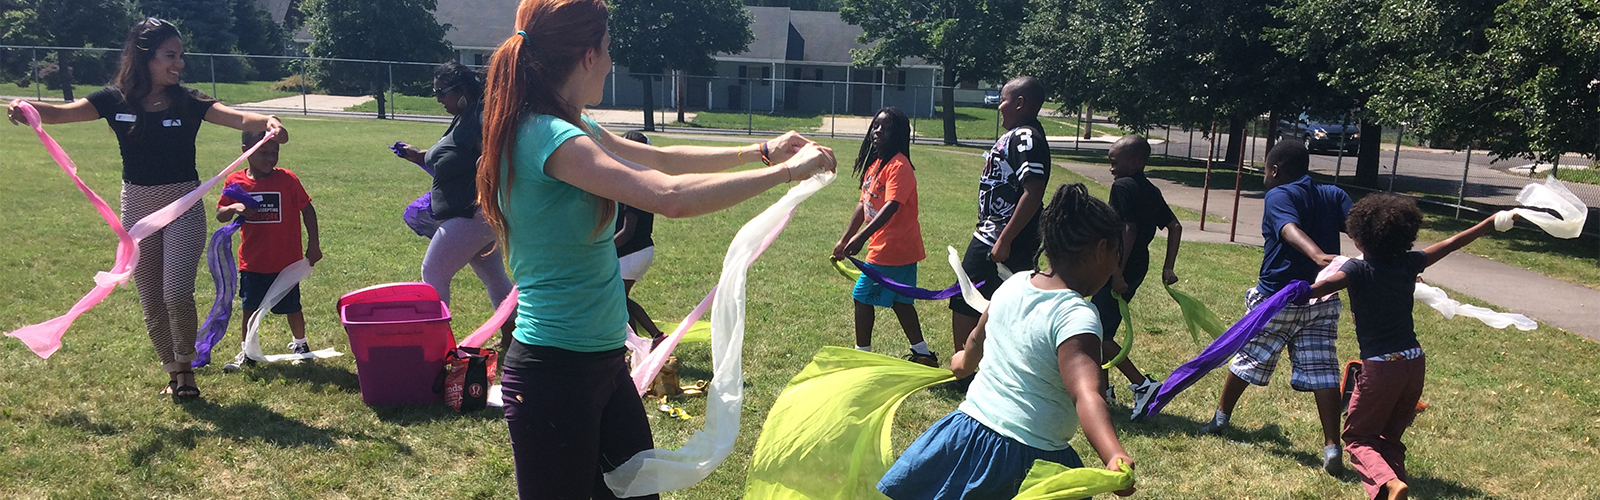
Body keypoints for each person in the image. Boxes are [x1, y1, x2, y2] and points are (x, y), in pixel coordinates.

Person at [475, 0, 836, 496]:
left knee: (638, 493)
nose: (611, 61)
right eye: (608, 49)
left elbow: (662, 160)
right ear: (587, 55)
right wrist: (789, 173)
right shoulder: (551, 136)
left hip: (602, 364)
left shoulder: (570, 124)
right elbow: (668, 198)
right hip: (555, 376)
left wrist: (760, 151)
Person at [6, 18, 287, 401]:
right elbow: (60, 112)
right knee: (151, 297)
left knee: (175, 291)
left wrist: (268, 122)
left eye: (181, 56)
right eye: (170, 55)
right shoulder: (113, 98)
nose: (180, 64)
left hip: (183, 203)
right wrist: (25, 107)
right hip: (137, 208)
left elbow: (237, 117)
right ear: (145, 56)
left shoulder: (188, 100)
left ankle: (187, 367)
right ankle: (172, 372)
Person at [877, 183, 1135, 499]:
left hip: (967, 434)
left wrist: (962, 363)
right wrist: (1112, 454)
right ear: (1100, 249)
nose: (1114, 266)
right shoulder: (1077, 315)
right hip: (1027, 459)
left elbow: (975, 340)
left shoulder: (1014, 285)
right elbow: (1086, 394)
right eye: (1116, 255)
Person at [1308, 196, 1507, 500]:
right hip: (1414, 363)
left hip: (1381, 367)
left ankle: (1390, 483)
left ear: (1360, 238)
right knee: (1389, 436)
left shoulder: (1356, 270)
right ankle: (1391, 487)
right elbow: (1452, 242)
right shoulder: (1410, 262)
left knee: (1358, 437)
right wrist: (1489, 223)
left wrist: (1294, 293)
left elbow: (1321, 288)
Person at [1200, 142, 1353, 476]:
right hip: (1322, 297)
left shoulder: (1279, 194)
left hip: (1278, 298)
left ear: (1275, 170)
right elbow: (1359, 228)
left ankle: (1220, 418)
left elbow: (1288, 229)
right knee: (1324, 367)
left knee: (1250, 356)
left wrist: (1316, 255)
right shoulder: (1334, 193)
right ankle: (1331, 446)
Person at [393, 62, 516, 349]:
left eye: (441, 92)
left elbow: (497, 156)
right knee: (494, 277)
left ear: (461, 90)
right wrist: (416, 155)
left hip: (472, 215)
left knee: (433, 272)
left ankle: (436, 344)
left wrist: (486, 169)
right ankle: (516, 337)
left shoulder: (478, 118)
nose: (438, 99)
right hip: (475, 218)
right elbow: (448, 156)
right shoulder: (463, 117)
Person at [948, 76, 1052, 388]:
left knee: (966, 297)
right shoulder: (1018, 135)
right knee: (997, 301)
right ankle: (980, 369)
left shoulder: (1025, 136)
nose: (998, 106)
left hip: (1004, 236)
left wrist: (1004, 238)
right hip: (997, 231)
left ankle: (965, 373)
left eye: (1003, 100)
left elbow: (1033, 190)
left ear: (1020, 103)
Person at [832, 107, 933, 367]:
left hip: (893, 247)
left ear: (897, 134)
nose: (877, 131)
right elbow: (862, 204)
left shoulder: (899, 165)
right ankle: (923, 353)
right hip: (897, 247)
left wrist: (862, 237)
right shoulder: (877, 164)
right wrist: (845, 238)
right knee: (901, 301)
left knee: (861, 296)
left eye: (884, 127)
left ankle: (861, 354)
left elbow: (892, 206)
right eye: (875, 125)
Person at [217, 130, 322, 371]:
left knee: (292, 306)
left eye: (274, 152)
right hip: (253, 262)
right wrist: (234, 206)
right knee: (249, 308)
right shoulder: (235, 181)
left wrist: (313, 244)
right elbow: (220, 214)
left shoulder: (287, 180)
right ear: (246, 152)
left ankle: (301, 345)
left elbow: (307, 209)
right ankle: (247, 351)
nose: (270, 158)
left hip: (286, 261)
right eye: (263, 152)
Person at [1096, 135, 1182, 420]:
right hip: (1139, 264)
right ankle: (1103, 390)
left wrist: (1116, 270)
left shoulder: (1122, 186)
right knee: (1100, 326)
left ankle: (1143, 385)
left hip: (1122, 264)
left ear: (1135, 161)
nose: (1111, 169)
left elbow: (1128, 230)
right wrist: (1167, 267)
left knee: (1098, 332)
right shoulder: (1151, 189)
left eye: (1114, 162)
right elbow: (1175, 226)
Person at [614, 130, 664, 339]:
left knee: (618, 299)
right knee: (619, 299)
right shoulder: (635, 179)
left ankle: (651, 338)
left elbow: (627, 231)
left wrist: (602, 249)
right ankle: (640, 343)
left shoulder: (635, 183)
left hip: (633, 251)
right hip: (637, 251)